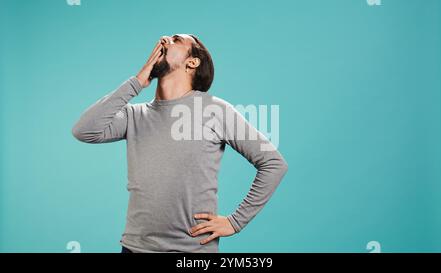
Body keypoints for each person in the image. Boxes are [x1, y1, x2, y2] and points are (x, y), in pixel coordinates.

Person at [72, 34, 288, 253]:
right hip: (134, 248)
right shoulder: (134, 116)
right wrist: (136, 83)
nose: (164, 39)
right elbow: (84, 130)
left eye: (176, 39)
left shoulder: (214, 110)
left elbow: (273, 163)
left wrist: (236, 222)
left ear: (192, 62)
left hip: (191, 252)